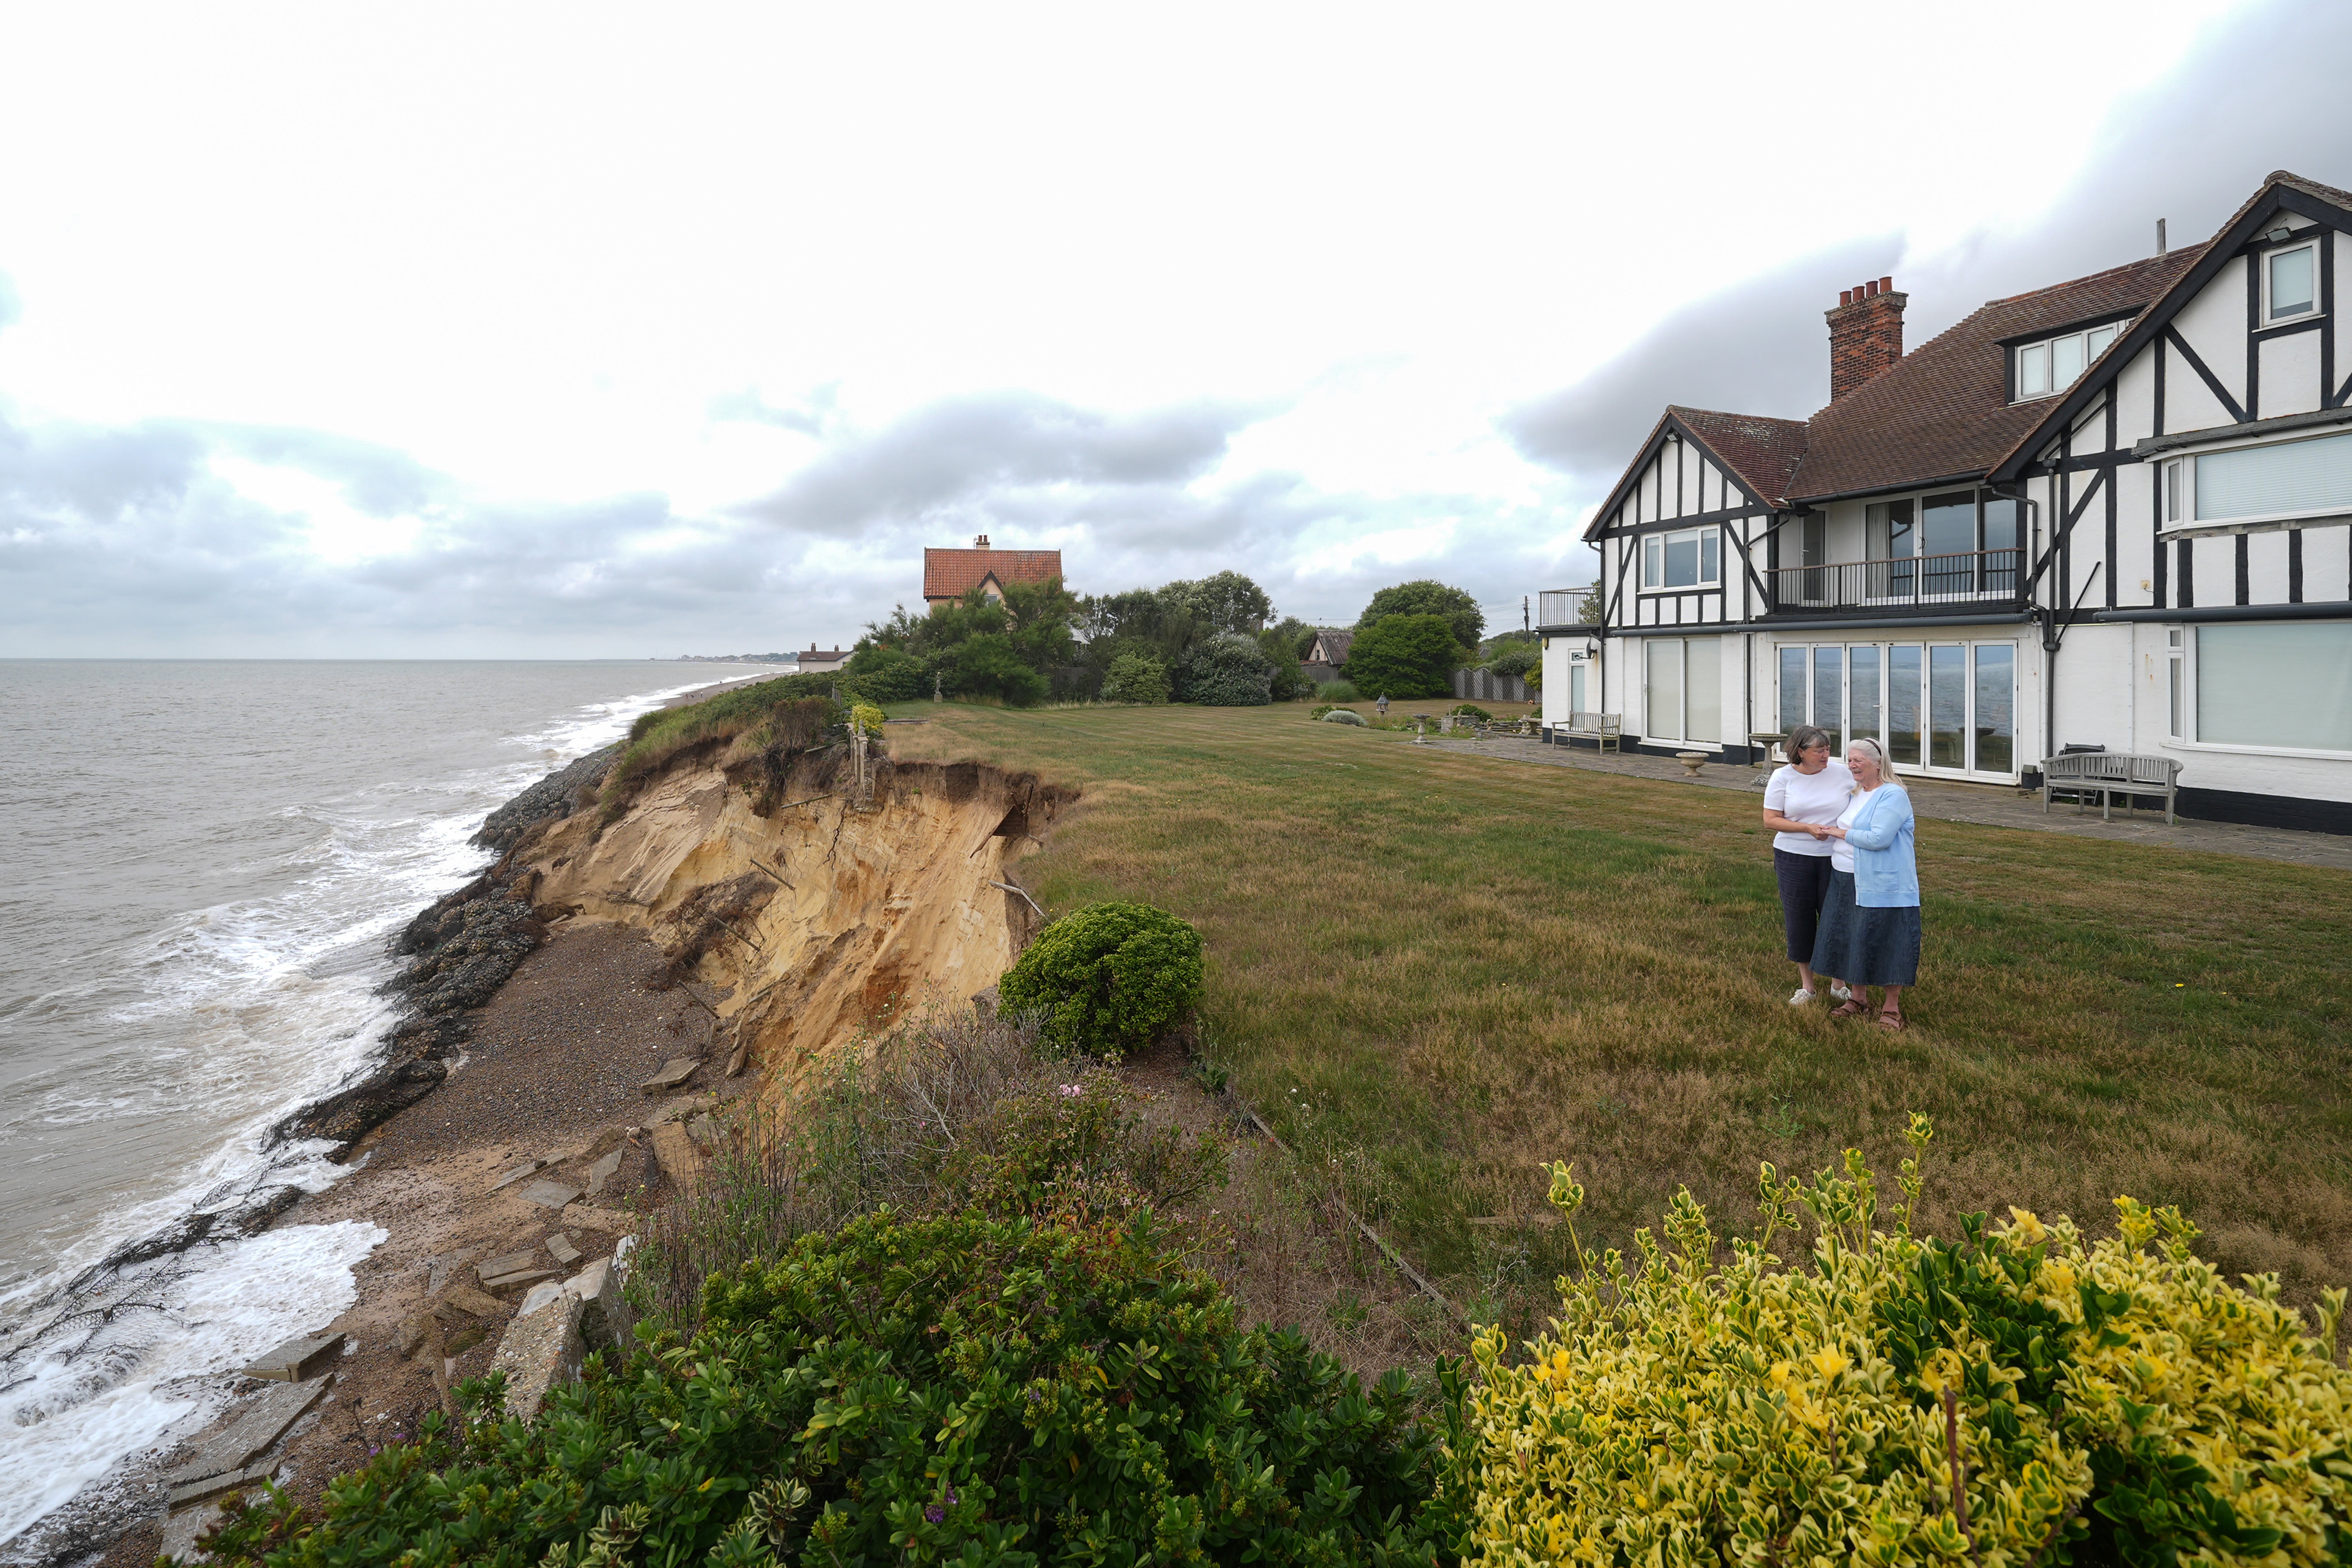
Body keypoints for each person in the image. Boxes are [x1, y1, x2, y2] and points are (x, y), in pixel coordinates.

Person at [1811, 737, 1920, 1031]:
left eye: (1859, 760)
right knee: (1851, 938)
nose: (1852, 765)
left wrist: (1837, 833)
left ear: (1878, 762)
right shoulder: (1856, 793)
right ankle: (1858, 999)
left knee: (1889, 941)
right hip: (1845, 877)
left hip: (1884, 884)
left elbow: (1878, 839)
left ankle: (1892, 1009)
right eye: (1849, 760)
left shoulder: (1893, 795)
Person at [1760, 724, 1853, 1006]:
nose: (1826, 755)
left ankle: (1839, 984)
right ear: (1800, 752)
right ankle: (1808, 987)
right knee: (1799, 918)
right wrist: (1806, 829)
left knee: (1836, 919)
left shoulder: (1841, 773)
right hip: (1793, 858)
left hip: (1835, 858)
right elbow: (1771, 820)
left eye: (1828, 749)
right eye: (1819, 750)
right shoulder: (1783, 777)